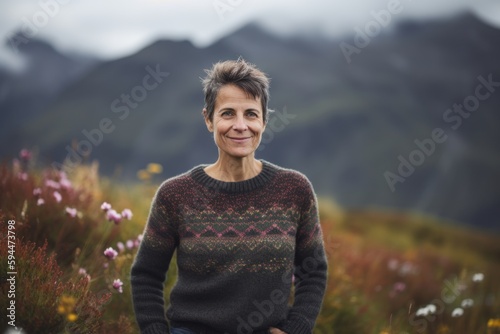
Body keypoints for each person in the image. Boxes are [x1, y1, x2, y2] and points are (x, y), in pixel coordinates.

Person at [131, 58, 328, 334]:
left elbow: (313, 270)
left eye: (250, 114)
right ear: (208, 119)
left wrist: (296, 329)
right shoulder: (175, 194)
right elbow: (146, 275)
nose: (240, 125)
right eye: (227, 113)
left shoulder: (294, 190)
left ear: (264, 120)